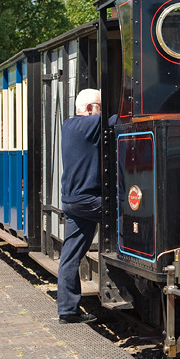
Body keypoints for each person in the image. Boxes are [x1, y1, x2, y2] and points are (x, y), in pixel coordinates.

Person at [58, 89, 103, 324]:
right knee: (127, 213)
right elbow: (119, 119)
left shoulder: (67, 125)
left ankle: (67, 311)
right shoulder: (89, 124)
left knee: (70, 256)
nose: (101, 113)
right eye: (99, 108)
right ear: (89, 109)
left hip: (71, 201)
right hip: (88, 201)